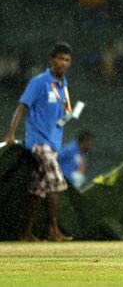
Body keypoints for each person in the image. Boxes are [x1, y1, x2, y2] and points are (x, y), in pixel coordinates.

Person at [4, 42, 75, 241]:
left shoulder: (64, 85)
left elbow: (66, 113)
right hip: (38, 141)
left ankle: (25, 234)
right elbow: (22, 107)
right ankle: (54, 231)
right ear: (52, 60)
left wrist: (70, 115)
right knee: (57, 182)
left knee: (38, 189)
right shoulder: (40, 82)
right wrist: (11, 133)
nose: (63, 62)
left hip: (52, 143)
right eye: (60, 58)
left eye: (66, 60)